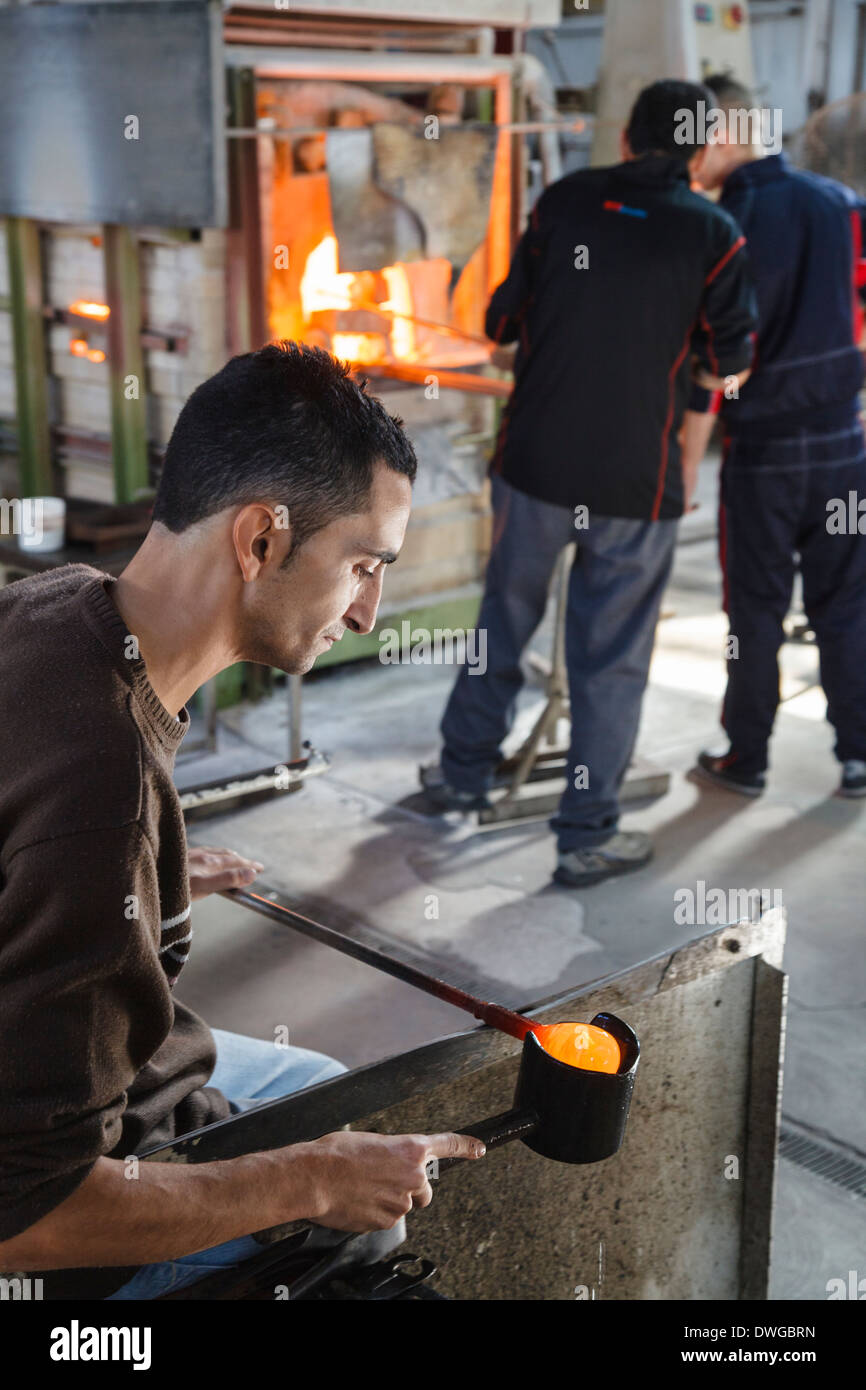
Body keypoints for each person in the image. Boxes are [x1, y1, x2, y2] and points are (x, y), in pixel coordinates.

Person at [0, 343, 484, 1301]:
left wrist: (154, 887)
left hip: (110, 1076)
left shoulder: (55, 606)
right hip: (56, 1215)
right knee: (367, 1213)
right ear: (261, 539)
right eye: (362, 565)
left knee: (327, 1082)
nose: (368, 615)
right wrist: (308, 1179)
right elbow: (25, 1212)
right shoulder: (103, 799)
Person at [421, 80, 757, 886]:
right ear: (701, 150)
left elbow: (499, 326)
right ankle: (584, 838)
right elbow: (733, 365)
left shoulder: (564, 201)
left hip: (534, 463)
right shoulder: (715, 233)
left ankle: (463, 774)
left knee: (505, 612)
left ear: (627, 136)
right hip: (634, 486)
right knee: (610, 658)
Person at [691, 75, 866, 798]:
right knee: (848, 604)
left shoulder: (723, 224)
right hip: (844, 447)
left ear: (723, 134)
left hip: (762, 454)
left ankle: (748, 756)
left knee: (755, 611)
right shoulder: (840, 203)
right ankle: (859, 755)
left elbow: (713, 355)